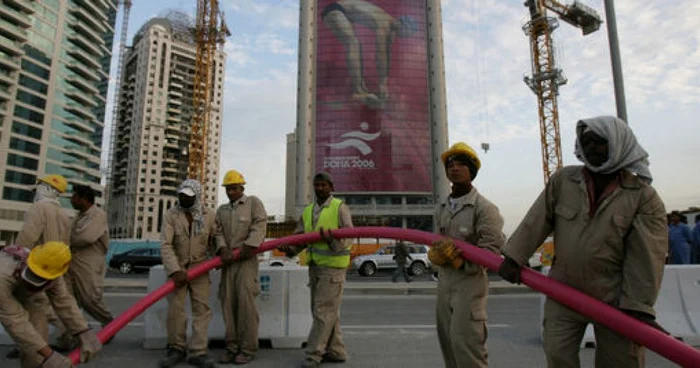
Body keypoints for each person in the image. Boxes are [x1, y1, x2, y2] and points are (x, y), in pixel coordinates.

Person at [499, 116, 668, 368]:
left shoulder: (643, 197)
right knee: (557, 355)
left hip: (614, 298)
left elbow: (647, 256)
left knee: (621, 362)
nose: (591, 148)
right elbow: (536, 220)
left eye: (598, 142)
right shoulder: (564, 180)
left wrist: (638, 305)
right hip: (563, 291)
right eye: (586, 142)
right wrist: (514, 257)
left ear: (618, 144)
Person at [429, 142, 505, 368]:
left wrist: (458, 261)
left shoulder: (484, 208)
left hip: (469, 286)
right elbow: (435, 241)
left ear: (472, 171)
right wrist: (435, 256)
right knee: (449, 347)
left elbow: (491, 253)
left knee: (468, 350)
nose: (455, 168)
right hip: (444, 284)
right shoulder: (442, 207)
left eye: (462, 164)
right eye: (451, 164)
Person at [281, 171, 354, 368]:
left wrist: (332, 240)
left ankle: (313, 354)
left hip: (333, 269)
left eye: (324, 185)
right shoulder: (308, 210)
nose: (320, 188)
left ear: (331, 187)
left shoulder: (340, 207)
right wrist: (289, 249)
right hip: (315, 267)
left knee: (323, 312)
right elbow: (300, 237)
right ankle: (336, 351)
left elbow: (349, 237)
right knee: (326, 312)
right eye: (317, 185)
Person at [0, 241, 102, 368]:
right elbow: (15, 321)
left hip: (18, 293)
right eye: (32, 275)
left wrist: (83, 332)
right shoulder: (3, 275)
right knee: (27, 335)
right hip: (4, 291)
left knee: (38, 333)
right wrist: (50, 355)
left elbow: (64, 302)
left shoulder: (51, 271)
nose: (32, 282)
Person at [9, 174, 73, 358]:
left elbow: (26, 239)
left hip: (35, 266)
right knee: (54, 304)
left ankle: (35, 349)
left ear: (46, 189)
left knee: (35, 307)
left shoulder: (38, 208)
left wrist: (15, 259)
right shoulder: (63, 213)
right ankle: (66, 334)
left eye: (38, 187)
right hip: (55, 266)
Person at [159, 179, 218, 368]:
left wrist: (221, 250)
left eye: (189, 196)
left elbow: (216, 238)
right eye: (182, 195)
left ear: (197, 197)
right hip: (178, 268)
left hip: (200, 268)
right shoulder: (171, 215)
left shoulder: (208, 215)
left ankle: (198, 351)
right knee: (176, 309)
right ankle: (176, 348)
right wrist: (175, 270)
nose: (184, 198)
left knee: (201, 311)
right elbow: (166, 245)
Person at [321, 0, 418, 108]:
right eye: (406, 33)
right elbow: (380, 55)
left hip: (342, 13)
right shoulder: (384, 24)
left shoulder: (391, 31)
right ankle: (358, 91)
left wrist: (384, 81)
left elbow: (387, 55)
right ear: (402, 25)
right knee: (353, 44)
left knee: (355, 45)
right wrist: (382, 84)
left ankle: (361, 89)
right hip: (336, 10)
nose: (403, 37)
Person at [214, 170, 268, 365]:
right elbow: (217, 231)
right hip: (228, 263)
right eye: (228, 189)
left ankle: (247, 349)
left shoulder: (253, 203)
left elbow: (260, 225)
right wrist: (221, 248)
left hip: (246, 260)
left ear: (242, 188)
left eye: (235, 188)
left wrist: (249, 245)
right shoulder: (222, 210)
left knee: (246, 306)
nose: (231, 192)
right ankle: (231, 347)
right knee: (228, 305)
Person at [62, 185, 114, 336]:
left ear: (83, 199)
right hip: (73, 262)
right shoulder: (79, 217)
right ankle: (68, 338)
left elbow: (86, 237)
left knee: (89, 299)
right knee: (69, 302)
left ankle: (110, 323)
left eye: (74, 197)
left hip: (89, 263)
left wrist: (71, 237)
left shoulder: (98, 215)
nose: (72, 200)